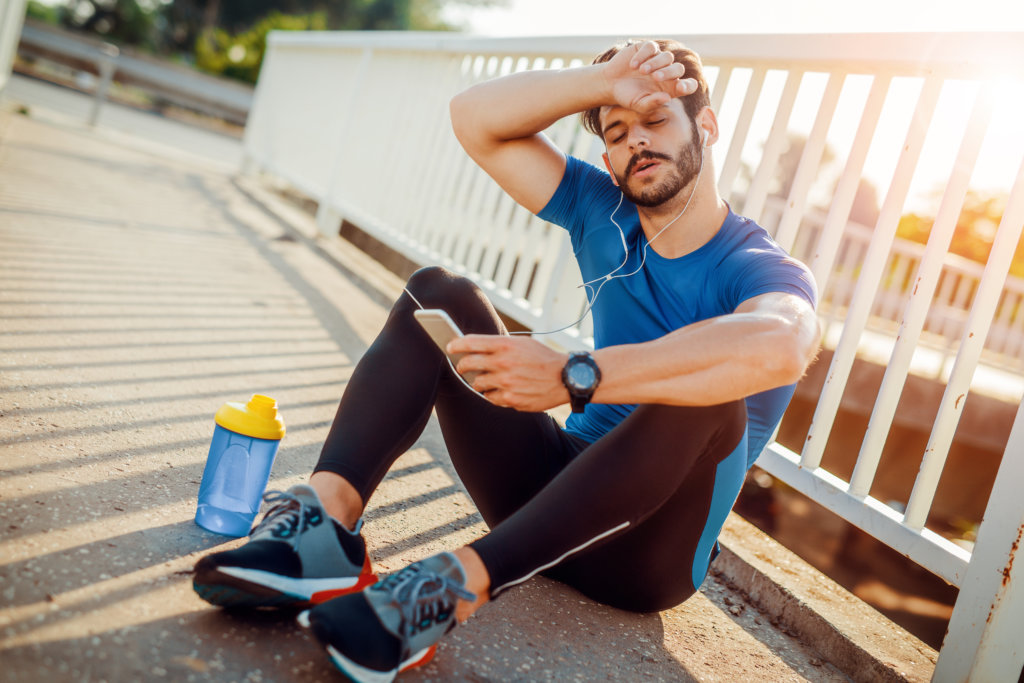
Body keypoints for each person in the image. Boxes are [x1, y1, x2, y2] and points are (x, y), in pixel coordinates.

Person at [192, 38, 820, 682]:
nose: (636, 142)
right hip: (543, 501)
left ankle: (443, 592)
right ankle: (325, 530)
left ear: (706, 128)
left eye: (656, 120)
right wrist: (604, 82)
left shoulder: (755, 267)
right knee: (436, 294)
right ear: (606, 155)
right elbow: (475, 119)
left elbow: (784, 343)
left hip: (646, 557)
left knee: (712, 397)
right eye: (618, 131)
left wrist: (576, 377)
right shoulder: (600, 210)